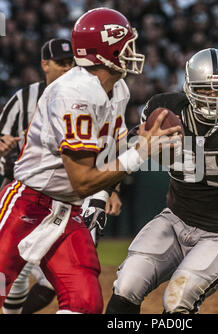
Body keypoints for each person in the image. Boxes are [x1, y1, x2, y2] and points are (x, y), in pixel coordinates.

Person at [0, 7, 181, 314]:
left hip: (65, 210)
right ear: (105, 50)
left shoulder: (117, 89)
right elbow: (82, 180)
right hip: (27, 204)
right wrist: (142, 152)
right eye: (125, 45)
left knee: (85, 304)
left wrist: (140, 140)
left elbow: (111, 147)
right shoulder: (76, 94)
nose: (132, 52)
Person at [105, 48, 218, 314]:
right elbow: (126, 145)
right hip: (175, 221)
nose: (214, 98)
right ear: (189, 88)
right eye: (206, 90)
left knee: (178, 300)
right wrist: (110, 188)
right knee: (127, 284)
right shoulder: (167, 111)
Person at [0, 37, 122, 314]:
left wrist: (107, 190)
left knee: (83, 300)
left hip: (68, 206)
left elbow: (106, 151)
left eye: (72, 62)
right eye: (61, 63)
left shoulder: (105, 92)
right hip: (26, 198)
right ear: (45, 64)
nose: (68, 68)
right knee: (9, 282)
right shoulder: (26, 98)